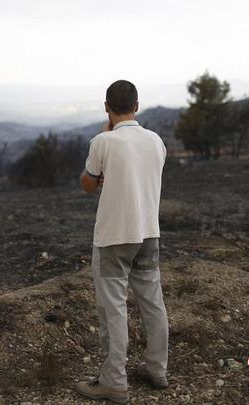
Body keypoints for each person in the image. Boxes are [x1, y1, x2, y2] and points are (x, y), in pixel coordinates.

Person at [75, 80, 169, 404]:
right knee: (152, 303)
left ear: (106, 107)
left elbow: (88, 184)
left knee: (113, 310)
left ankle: (114, 381)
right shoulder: (156, 142)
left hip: (114, 236)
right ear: (137, 106)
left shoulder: (103, 142)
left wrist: (106, 135)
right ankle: (157, 368)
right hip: (149, 233)